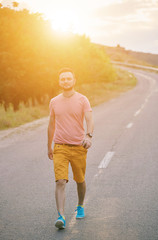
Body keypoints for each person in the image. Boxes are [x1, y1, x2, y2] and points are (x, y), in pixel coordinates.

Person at [47, 67, 94, 229]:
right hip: (60, 146)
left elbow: (89, 119)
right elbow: (51, 125)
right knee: (60, 181)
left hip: (79, 147)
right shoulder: (54, 101)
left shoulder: (82, 99)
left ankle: (80, 205)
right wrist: (49, 146)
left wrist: (88, 136)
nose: (65, 81)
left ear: (74, 81)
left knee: (80, 180)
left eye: (68, 78)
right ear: (59, 82)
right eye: (62, 79)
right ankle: (61, 216)